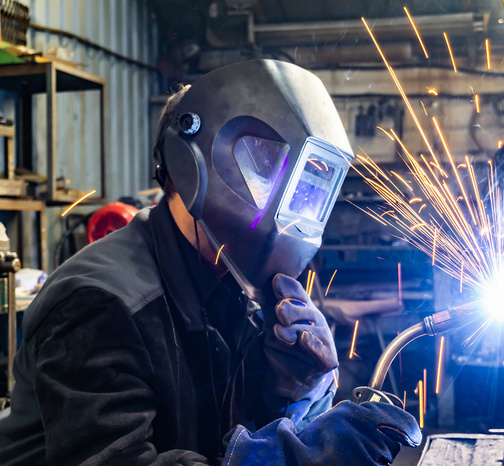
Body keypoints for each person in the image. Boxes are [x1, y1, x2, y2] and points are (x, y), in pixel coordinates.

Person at [0, 60, 421, 465]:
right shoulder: (97, 306)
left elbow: (233, 434)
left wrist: (294, 388)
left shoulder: (237, 287)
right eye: (264, 170)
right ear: (193, 164)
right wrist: (295, 458)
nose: (287, 201)